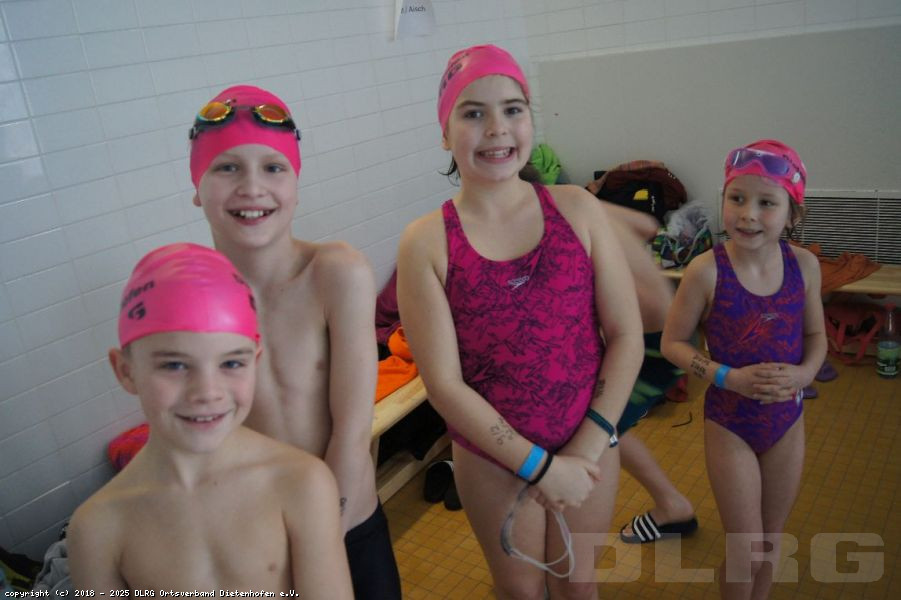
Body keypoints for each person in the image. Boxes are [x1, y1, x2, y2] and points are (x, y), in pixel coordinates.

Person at [396, 45, 644, 599]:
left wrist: (585, 448)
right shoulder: (426, 242)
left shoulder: (577, 209)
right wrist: (540, 467)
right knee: (521, 591)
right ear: (445, 133)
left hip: (589, 437)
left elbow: (627, 335)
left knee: (579, 585)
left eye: (512, 109)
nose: (496, 128)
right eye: (472, 113)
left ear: (530, 119)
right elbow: (443, 384)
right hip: (493, 457)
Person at [188, 85, 401, 598]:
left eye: (273, 167)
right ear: (197, 187)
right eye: (227, 167)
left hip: (349, 525)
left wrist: (319, 546)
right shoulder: (190, 300)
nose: (252, 187)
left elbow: (351, 434)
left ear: (297, 185)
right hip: (257, 544)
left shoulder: (335, 273)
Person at [67, 243, 353, 597]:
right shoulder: (98, 529)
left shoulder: (302, 482)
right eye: (174, 365)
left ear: (255, 362)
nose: (207, 392)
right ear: (126, 372)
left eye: (231, 363)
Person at [661, 140, 826, 599]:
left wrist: (805, 374)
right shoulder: (705, 271)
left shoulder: (805, 267)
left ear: (792, 214)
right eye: (736, 198)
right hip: (730, 423)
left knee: (770, 546)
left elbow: (816, 336)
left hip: (787, 420)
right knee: (746, 551)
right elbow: (672, 343)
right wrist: (727, 377)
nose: (748, 214)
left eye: (766, 203)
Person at [602, 209, 698, 544]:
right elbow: (647, 225)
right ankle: (672, 504)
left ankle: (672, 506)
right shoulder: (586, 203)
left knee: (602, 427)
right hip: (677, 328)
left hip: (654, 347)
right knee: (607, 424)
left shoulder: (554, 218)